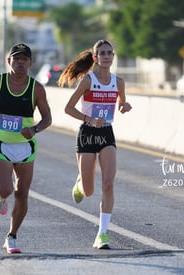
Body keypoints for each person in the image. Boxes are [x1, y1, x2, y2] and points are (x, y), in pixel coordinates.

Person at [0, 43, 52, 253]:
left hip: (26, 147)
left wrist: (34, 130)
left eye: (24, 59)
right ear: (8, 61)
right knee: (7, 190)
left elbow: (47, 118)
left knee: (22, 193)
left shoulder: (36, 88)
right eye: (16, 59)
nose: (20, 63)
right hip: (2, 145)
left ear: (30, 63)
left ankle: (12, 236)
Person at [58, 39, 132, 249]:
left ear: (113, 56)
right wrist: (89, 119)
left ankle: (102, 234)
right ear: (95, 58)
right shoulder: (88, 80)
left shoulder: (119, 82)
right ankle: (81, 184)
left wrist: (124, 105)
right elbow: (68, 108)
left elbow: (121, 102)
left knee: (108, 183)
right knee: (89, 190)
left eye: (110, 53)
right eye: (102, 53)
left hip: (107, 133)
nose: (107, 56)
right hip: (88, 134)